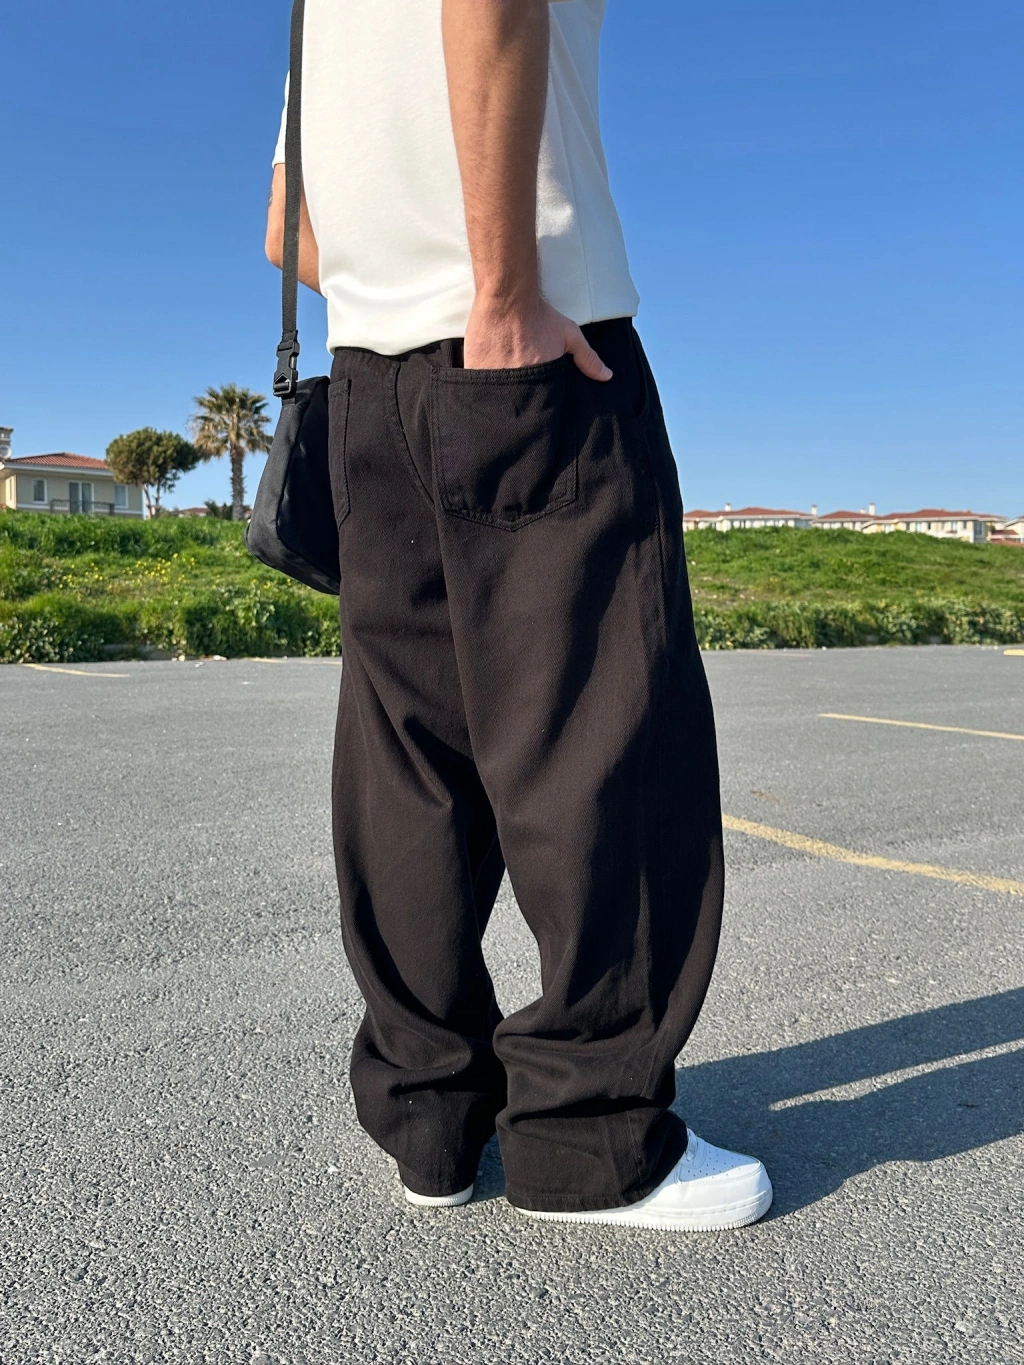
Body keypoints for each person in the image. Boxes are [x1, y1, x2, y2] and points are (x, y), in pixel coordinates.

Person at [266, 0, 772, 1230]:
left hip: (367, 381)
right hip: (529, 346)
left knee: (409, 757)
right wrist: (497, 288)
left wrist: (403, 294)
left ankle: (430, 1119)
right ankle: (590, 1143)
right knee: (601, 733)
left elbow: (288, 224)